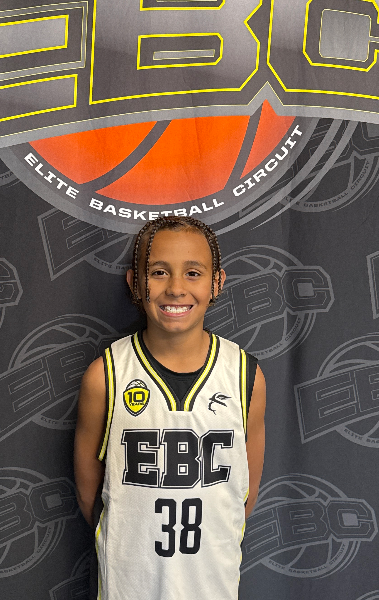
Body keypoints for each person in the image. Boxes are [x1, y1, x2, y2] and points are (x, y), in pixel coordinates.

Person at [74, 216, 266, 600]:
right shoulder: (106, 376)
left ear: (217, 282)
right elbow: (91, 496)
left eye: (193, 273)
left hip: (211, 587)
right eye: (159, 272)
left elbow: (244, 493)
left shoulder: (245, 375)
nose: (176, 288)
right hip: (130, 587)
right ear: (135, 284)